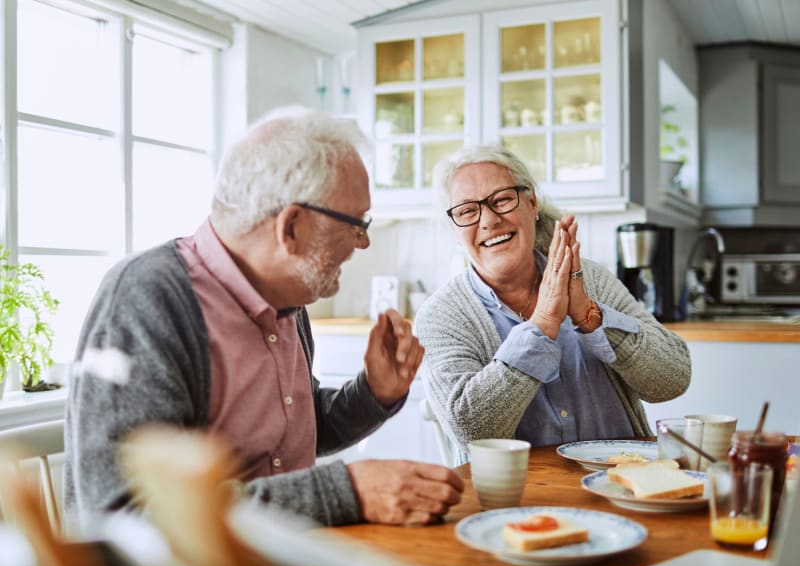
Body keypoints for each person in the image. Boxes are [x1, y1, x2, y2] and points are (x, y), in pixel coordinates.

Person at [64, 107, 464, 532]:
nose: (362, 243)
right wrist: (347, 492)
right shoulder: (147, 300)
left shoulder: (287, 299)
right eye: (356, 224)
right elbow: (122, 516)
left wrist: (373, 394)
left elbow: (295, 434)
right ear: (290, 228)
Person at [414, 145, 691, 463]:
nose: (489, 220)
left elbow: (672, 380)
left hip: (625, 483)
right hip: (519, 504)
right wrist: (542, 324)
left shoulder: (589, 278)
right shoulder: (441, 316)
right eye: (466, 211)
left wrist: (591, 317)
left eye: (502, 199)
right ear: (454, 228)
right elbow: (472, 430)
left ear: (531, 201)